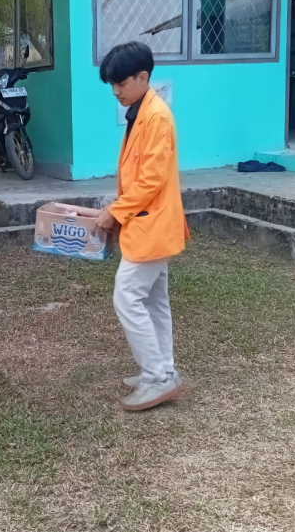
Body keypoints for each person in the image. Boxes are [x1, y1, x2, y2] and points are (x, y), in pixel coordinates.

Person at [93, 41, 190, 412]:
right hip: (149, 225)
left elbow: (151, 180)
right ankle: (162, 369)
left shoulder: (156, 116)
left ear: (143, 78)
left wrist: (115, 212)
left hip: (152, 226)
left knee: (127, 296)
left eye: (121, 84)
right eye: (112, 85)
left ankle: (158, 378)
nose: (115, 91)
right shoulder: (140, 111)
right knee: (153, 300)